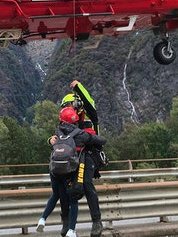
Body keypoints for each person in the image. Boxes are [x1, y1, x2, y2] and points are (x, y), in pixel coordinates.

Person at [37, 106, 107, 237]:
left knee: (66, 192)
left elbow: (55, 140)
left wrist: (50, 140)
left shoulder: (59, 131)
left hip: (66, 166)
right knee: (78, 191)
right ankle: (71, 227)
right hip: (75, 164)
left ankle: (71, 224)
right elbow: (100, 139)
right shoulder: (78, 133)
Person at [60, 80, 105, 237]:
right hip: (73, 157)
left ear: (77, 103)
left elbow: (89, 100)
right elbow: (58, 135)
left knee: (86, 184)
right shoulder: (68, 121)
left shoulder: (90, 114)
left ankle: (96, 221)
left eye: (70, 106)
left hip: (90, 154)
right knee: (65, 188)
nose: (69, 109)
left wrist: (78, 87)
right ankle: (66, 222)